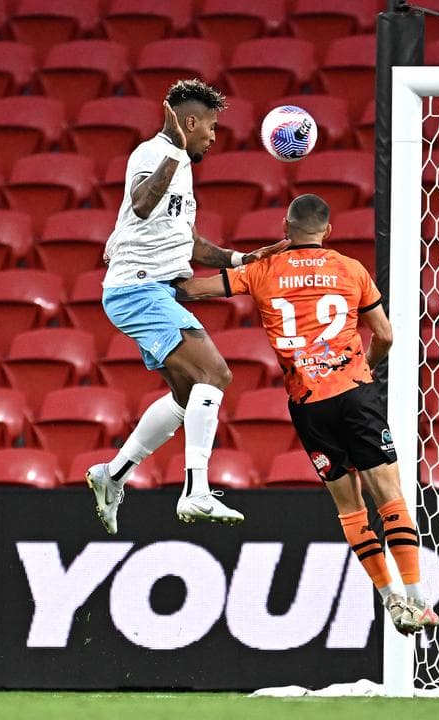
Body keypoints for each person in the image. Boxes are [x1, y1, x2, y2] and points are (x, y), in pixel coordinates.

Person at [175, 193, 439, 635]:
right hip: (356, 395)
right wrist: (364, 368)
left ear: (285, 227)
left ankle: (389, 599)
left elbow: (190, 291)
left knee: (350, 508)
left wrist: (154, 266)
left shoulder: (262, 270)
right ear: (328, 231)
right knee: (388, 494)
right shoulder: (351, 269)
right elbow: (386, 336)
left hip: (309, 405)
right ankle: (416, 600)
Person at [86, 79, 289, 534]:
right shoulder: (152, 154)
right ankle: (196, 492)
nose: (214, 137)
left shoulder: (181, 167)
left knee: (187, 396)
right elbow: (140, 205)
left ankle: (111, 475)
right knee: (215, 374)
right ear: (189, 122)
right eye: (211, 127)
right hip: (138, 290)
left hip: (151, 291)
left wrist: (240, 259)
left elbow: (185, 241)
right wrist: (175, 151)